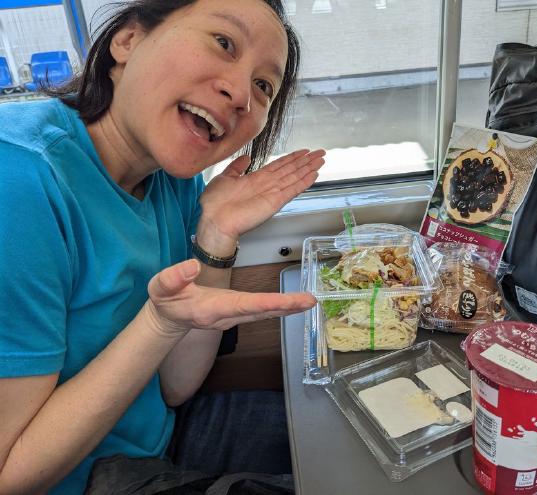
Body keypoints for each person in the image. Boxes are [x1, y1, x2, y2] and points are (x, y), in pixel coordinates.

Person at [0, 0, 325, 493]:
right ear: (127, 41)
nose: (240, 93)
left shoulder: (174, 180)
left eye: (264, 86)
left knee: (349, 430)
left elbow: (176, 388)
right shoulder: (21, 181)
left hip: (159, 440)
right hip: (83, 481)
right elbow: (11, 474)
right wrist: (158, 322)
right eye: (222, 43)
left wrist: (215, 236)